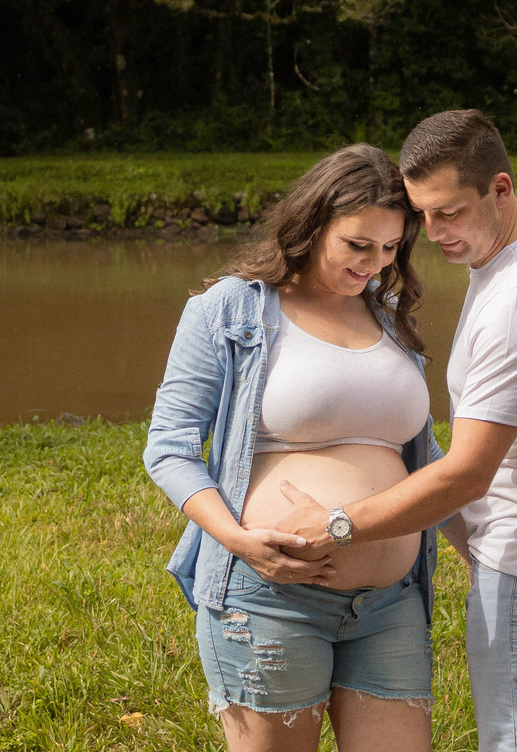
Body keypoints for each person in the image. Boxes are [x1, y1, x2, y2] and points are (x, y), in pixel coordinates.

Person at [257, 110, 517, 752]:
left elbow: (468, 470)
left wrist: (339, 524)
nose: (432, 233)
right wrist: (474, 547)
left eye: (449, 212)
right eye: (422, 215)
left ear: (500, 188)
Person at [144, 144, 459, 752]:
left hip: (390, 602)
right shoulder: (231, 309)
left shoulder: (390, 317)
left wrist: (475, 541)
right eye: (358, 245)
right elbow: (169, 447)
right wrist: (237, 541)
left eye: (391, 248)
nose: (374, 263)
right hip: (271, 595)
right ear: (313, 224)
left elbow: (422, 455)